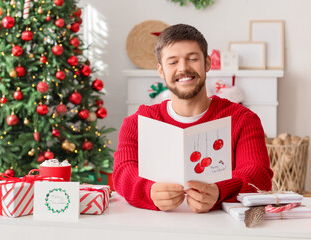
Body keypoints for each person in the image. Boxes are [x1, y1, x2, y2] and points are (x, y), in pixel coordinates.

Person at [113, 24, 273, 212]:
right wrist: (150, 191)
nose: (183, 68)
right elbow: (122, 172)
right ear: (161, 71)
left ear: (207, 63)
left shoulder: (243, 119)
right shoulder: (136, 123)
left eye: (192, 59)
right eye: (172, 62)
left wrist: (220, 191)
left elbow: (259, 175)